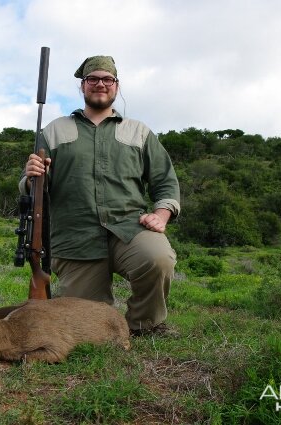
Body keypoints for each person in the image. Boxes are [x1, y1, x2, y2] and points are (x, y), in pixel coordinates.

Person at [19, 55, 180, 335]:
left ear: (116, 86)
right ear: (83, 86)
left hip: (129, 230)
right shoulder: (54, 130)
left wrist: (161, 214)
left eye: (108, 79)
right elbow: (35, 190)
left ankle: (144, 326)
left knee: (159, 258)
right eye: (93, 79)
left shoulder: (139, 132)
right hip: (75, 239)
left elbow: (165, 181)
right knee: (89, 329)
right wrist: (31, 175)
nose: (100, 84)